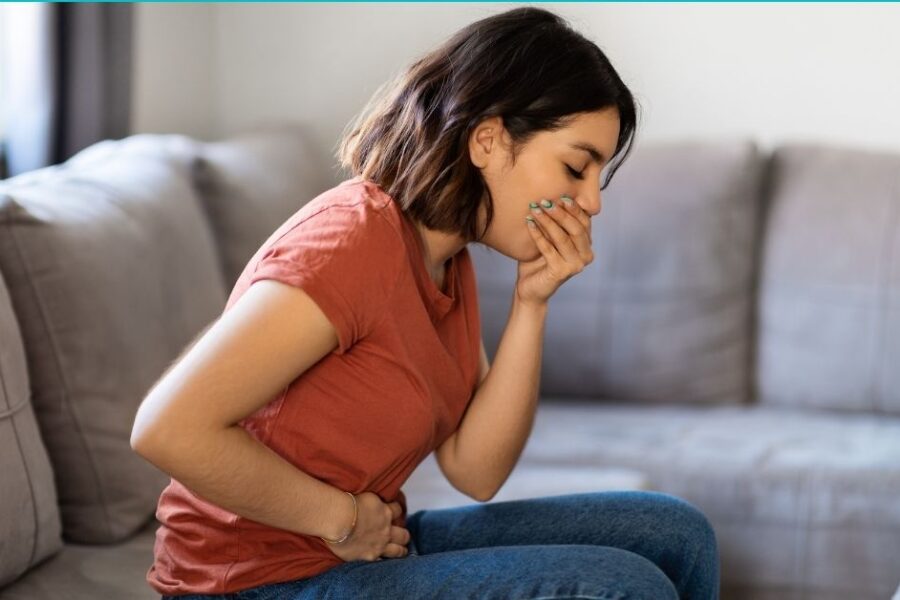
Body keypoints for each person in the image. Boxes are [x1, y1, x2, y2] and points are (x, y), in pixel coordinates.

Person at [130, 6, 719, 600]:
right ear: (488, 140)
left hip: (365, 554)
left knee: (675, 531)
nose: (591, 203)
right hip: (257, 581)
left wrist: (532, 303)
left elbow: (476, 470)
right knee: (622, 586)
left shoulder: (446, 260)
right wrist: (340, 518)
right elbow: (168, 428)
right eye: (576, 167)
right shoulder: (350, 241)